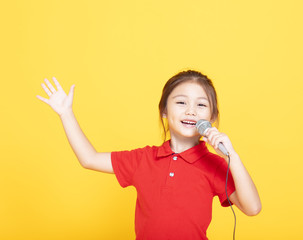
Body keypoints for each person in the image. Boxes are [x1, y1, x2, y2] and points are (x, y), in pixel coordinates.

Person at [37, 70, 261, 240]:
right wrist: (66, 114)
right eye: (181, 102)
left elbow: (252, 208)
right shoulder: (143, 159)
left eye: (201, 105)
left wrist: (233, 155)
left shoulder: (214, 164)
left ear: (211, 116)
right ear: (164, 110)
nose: (191, 110)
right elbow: (89, 159)